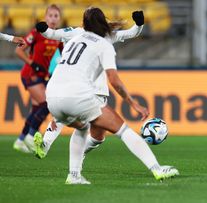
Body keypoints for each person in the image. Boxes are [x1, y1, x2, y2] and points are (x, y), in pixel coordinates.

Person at [42, 7, 179, 184]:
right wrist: (133, 103)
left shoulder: (76, 37)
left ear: (85, 23)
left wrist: (43, 29)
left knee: (82, 128)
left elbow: (53, 37)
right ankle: (157, 169)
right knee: (123, 130)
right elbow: (113, 80)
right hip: (80, 94)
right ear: (103, 21)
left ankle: (73, 174)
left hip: (52, 94)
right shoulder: (103, 43)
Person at [33, 10, 145, 159]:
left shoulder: (88, 33)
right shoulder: (92, 34)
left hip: (81, 88)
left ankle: (51, 146)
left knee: (90, 133)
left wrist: (138, 24)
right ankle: (57, 149)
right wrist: (44, 30)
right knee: (82, 127)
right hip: (90, 89)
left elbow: (131, 32)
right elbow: (53, 34)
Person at [13, 4, 63, 153]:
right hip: (30, 73)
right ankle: (30, 135)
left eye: (56, 16)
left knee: (36, 108)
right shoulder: (36, 32)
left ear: (59, 19)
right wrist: (32, 63)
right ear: (46, 17)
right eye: (51, 15)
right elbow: (19, 50)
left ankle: (20, 140)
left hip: (42, 75)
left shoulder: (58, 36)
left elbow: (66, 55)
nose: (53, 19)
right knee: (46, 103)